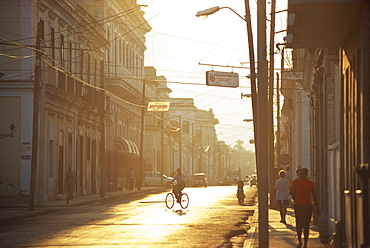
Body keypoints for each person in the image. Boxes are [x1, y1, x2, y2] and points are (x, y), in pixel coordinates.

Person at [290, 167, 319, 248]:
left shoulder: (295, 182)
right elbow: (314, 195)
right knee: (306, 225)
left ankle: (300, 241)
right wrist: (317, 206)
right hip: (308, 205)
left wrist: (295, 198)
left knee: (298, 224)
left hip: (298, 205)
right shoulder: (311, 183)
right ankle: (305, 243)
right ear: (307, 174)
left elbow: (291, 192)